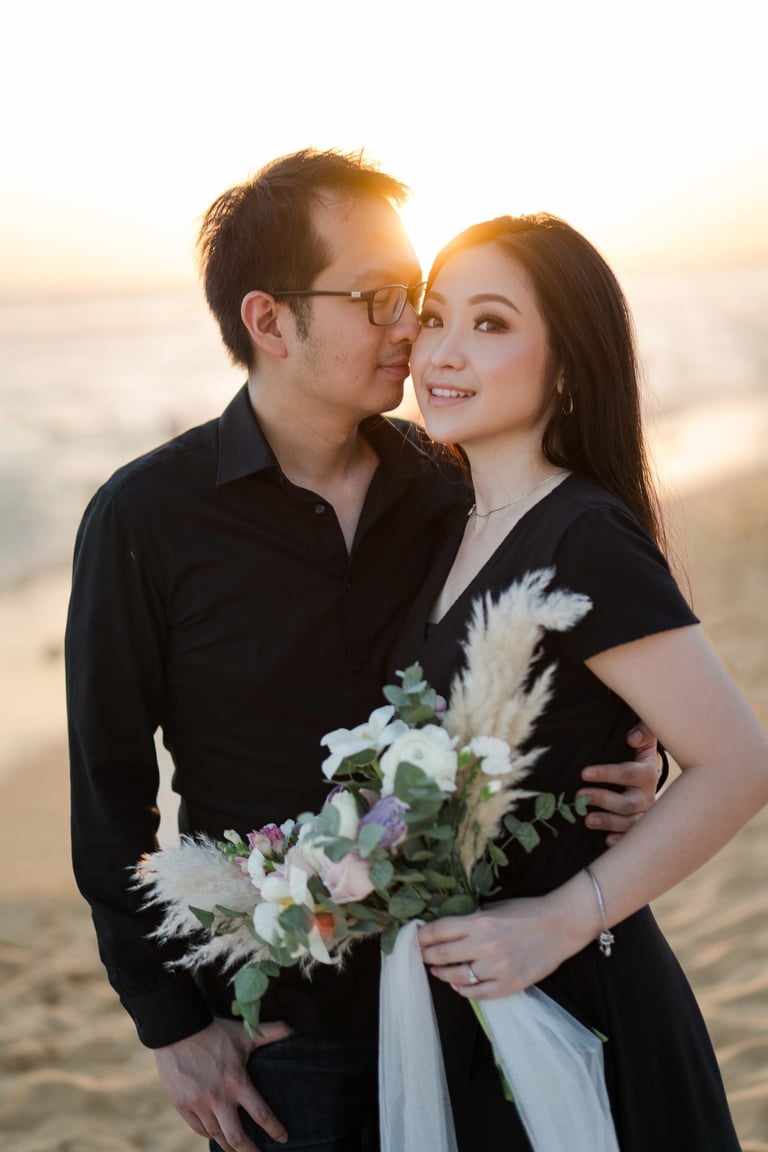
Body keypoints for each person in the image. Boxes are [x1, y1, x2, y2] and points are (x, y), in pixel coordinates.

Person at [66, 153, 660, 1152]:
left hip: (473, 985)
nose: (411, 329)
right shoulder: (148, 518)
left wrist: (633, 764)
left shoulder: (454, 486)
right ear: (269, 321)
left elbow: (552, 666)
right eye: (379, 297)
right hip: (286, 1023)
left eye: (414, 298)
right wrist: (171, 1027)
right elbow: (109, 800)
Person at [386, 213, 768, 1150]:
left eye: (490, 323)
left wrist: (561, 920)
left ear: (565, 364)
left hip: (573, 997)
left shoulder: (584, 535)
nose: (443, 351)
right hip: (466, 1006)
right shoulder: (442, 522)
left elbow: (738, 763)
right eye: (435, 318)